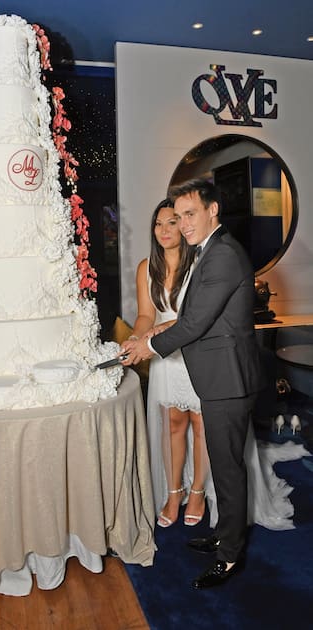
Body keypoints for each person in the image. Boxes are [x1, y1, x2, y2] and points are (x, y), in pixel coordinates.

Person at [121, 178, 266, 589]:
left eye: (189, 214)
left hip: (228, 379)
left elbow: (194, 323)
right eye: (178, 215)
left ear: (212, 210)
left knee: (228, 469)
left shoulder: (221, 254)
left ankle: (230, 556)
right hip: (217, 375)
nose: (183, 224)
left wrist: (147, 346)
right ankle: (225, 536)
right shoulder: (209, 250)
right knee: (223, 465)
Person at [123, 199, 210, 528]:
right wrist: (135, 339)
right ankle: (174, 493)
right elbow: (147, 315)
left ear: (185, 225)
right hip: (167, 359)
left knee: (202, 426)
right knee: (173, 425)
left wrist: (153, 336)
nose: (164, 230)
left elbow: (195, 317)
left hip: (199, 353)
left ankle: (198, 491)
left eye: (172, 222)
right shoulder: (147, 268)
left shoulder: (201, 263)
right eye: (158, 224)